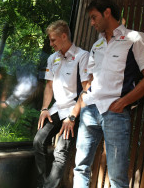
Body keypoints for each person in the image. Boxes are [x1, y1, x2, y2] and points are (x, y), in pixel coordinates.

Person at [72, 0, 144, 188]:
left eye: (94, 17)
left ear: (107, 12)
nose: (92, 23)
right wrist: (86, 98)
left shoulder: (135, 38)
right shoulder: (97, 45)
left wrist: (123, 102)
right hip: (90, 111)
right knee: (80, 167)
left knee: (117, 176)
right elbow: (91, 79)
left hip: (115, 113)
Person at [33, 20, 90, 188]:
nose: (50, 44)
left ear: (64, 36)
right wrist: (44, 108)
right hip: (57, 108)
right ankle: (43, 183)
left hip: (74, 109)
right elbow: (49, 85)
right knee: (38, 141)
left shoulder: (82, 56)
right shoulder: (53, 58)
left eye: (53, 40)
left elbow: (86, 89)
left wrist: (72, 117)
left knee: (60, 151)